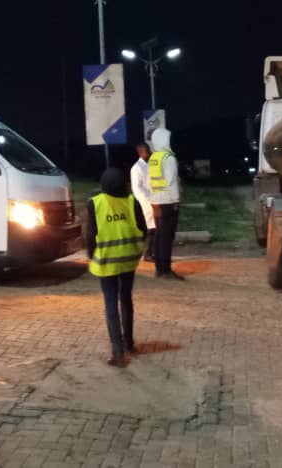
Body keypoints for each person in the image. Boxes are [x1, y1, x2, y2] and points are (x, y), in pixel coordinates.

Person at [85, 168, 147, 367]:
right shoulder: (131, 201)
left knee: (110, 303)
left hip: (106, 261)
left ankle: (117, 351)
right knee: (126, 298)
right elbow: (143, 230)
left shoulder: (95, 203)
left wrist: (91, 254)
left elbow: (90, 235)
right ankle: (129, 342)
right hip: (128, 259)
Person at [147, 128, 185, 280]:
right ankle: (166, 270)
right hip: (169, 201)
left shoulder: (153, 157)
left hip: (156, 201)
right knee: (167, 236)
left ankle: (159, 268)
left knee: (159, 235)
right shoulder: (169, 158)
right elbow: (170, 180)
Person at [130, 144, 157, 262]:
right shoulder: (137, 168)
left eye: (149, 150)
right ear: (140, 153)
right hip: (146, 201)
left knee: (154, 227)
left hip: (154, 199)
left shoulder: (148, 165)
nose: (149, 153)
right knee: (152, 227)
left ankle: (152, 252)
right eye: (147, 151)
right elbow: (137, 188)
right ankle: (149, 254)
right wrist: (147, 201)